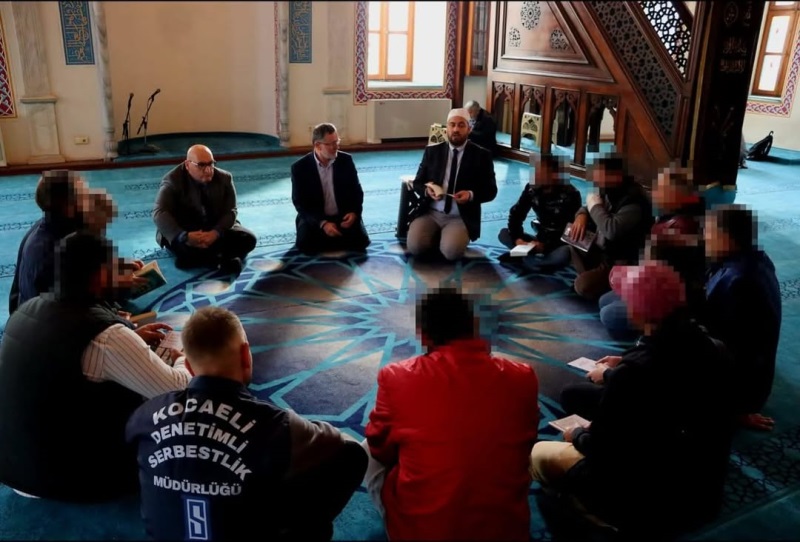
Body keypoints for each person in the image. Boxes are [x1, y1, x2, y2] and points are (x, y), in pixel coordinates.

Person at [126, 306, 367, 541]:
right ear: (245, 354)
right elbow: (338, 442)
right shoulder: (276, 425)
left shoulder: (144, 414)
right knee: (353, 454)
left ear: (188, 367)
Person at [531, 261, 736, 537]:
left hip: (652, 500)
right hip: (704, 488)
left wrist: (577, 434)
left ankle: (594, 514)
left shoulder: (632, 376)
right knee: (577, 396)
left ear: (638, 311)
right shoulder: (713, 347)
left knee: (539, 454)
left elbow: (602, 449)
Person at [0, 232, 191, 502]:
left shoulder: (27, 309)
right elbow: (178, 390)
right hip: (62, 476)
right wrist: (182, 356)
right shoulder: (106, 335)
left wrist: (131, 340)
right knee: (178, 418)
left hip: (11, 465)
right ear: (101, 274)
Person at [364, 287, 540, 540]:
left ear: (423, 335)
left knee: (365, 449)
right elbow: (527, 440)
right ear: (475, 326)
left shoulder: (396, 376)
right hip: (508, 532)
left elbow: (380, 447)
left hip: (423, 532)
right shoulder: (523, 376)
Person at [598, 165, 706, 338]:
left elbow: (659, 275)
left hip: (668, 297)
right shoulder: (666, 217)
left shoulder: (683, 227)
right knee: (604, 301)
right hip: (651, 281)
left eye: (661, 189)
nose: (654, 193)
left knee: (608, 315)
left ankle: (657, 332)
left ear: (677, 195)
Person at [703, 204, 782, 431]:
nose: (704, 238)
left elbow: (730, 349)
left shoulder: (737, 281)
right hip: (753, 384)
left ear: (726, 238)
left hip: (739, 392)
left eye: (709, 232)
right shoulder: (758, 259)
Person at [406, 108, 498, 261]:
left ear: (469, 129)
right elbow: (417, 183)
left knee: (452, 252)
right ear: (446, 128)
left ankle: (448, 237)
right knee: (415, 247)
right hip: (431, 213)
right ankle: (440, 235)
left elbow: (491, 190)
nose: (456, 129)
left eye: (461, 125)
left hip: (459, 216)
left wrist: (470, 195)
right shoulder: (432, 151)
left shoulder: (482, 155)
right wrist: (427, 191)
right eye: (452, 125)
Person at [153, 144, 257, 275]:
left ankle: (202, 259)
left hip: (215, 227)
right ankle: (223, 258)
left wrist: (216, 233)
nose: (208, 170)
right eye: (201, 165)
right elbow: (159, 213)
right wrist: (185, 236)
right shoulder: (172, 180)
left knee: (248, 239)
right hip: (186, 231)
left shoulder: (225, 178)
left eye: (211, 164)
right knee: (181, 245)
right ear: (187, 165)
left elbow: (231, 211)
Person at [567, 154, 653, 300]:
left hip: (624, 262)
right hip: (606, 253)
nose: (594, 178)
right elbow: (588, 207)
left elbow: (611, 230)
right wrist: (582, 215)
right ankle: (597, 280)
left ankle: (609, 287)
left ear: (616, 176)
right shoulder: (608, 189)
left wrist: (594, 205)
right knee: (573, 237)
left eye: (599, 173)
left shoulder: (634, 201)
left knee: (582, 286)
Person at [290, 123, 370, 254]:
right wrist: (323, 223)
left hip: (343, 216)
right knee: (305, 245)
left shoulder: (345, 161)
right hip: (317, 219)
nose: (336, 147)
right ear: (317, 145)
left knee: (362, 242)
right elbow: (300, 203)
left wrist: (354, 213)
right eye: (331, 144)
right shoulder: (300, 168)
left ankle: (330, 240)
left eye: (337, 142)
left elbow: (357, 192)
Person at [498, 153, 582, 272]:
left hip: (558, 244)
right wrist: (518, 240)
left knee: (566, 253)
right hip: (539, 239)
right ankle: (532, 260)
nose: (535, 175)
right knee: (504, 234)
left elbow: (571, 234)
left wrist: (545, 246)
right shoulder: (531, 188)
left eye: (540, 172)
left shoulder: (571, 194)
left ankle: (529, 260)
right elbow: (516, 215)